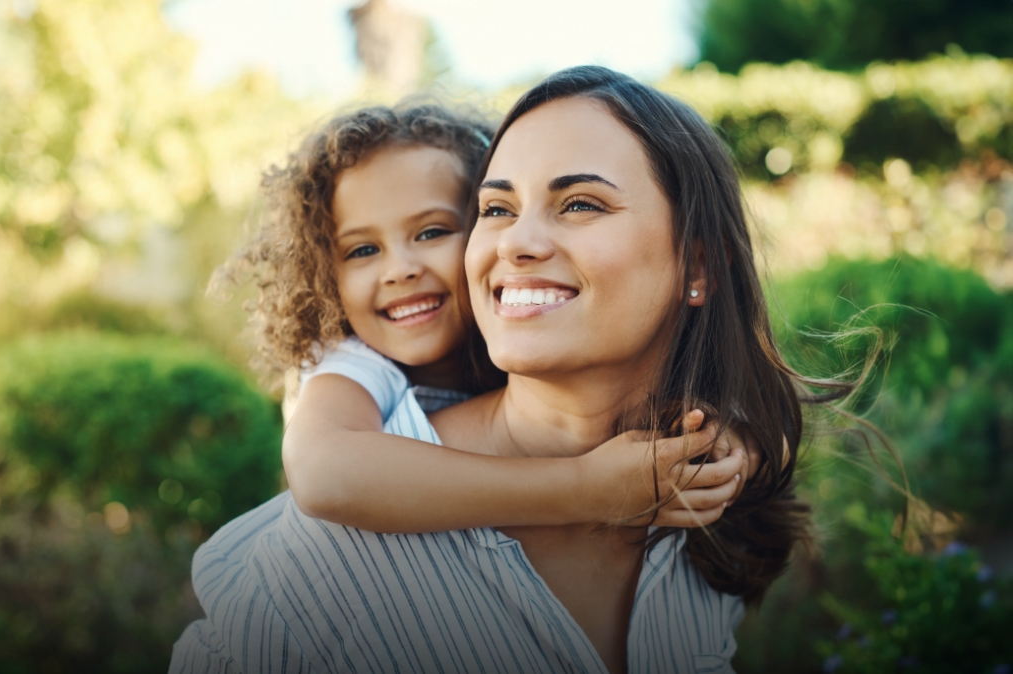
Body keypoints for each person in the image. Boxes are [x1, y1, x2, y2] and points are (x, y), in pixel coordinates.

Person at [173, 66, 834, 673]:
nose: (516, 241)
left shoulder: (697, 508)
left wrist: (737, 449)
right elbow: (322, 469)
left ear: (699, 266)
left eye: (578, 203)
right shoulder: (344, 523)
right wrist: (585, 489)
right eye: (497, 210)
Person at [216, 102, 751, 539]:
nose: (400, 270)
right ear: (323, 275)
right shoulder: (352, 365)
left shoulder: (523, 341)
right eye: (361, 250)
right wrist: (586, 490)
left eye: (430, 233)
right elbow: (324, 475)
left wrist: (722, 451)